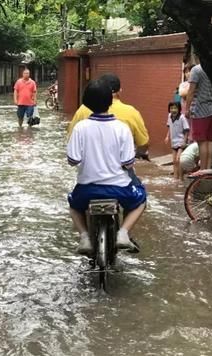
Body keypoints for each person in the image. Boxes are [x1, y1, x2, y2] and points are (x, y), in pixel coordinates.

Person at [67, 79, 147, 255]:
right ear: (111, 100)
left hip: (86, 189)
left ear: (86, 102)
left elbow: (73, 160)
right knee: (141, 199)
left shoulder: (80, 128)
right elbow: (128, 163)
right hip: (119, 189)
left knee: (73, 205)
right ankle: (124, 233)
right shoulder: (122, 128)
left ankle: (85, 237)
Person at [67, 73, 149, 153]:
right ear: (120, 91)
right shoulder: (131, 112)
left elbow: (71, 139)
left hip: (88, 164)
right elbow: (143, 143)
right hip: (121, 164)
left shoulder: (84, 109)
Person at [185, 64, 212, 170]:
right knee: (210, 140)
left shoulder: (197, 70)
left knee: (202, 141)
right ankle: (208, 168)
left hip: (200, 109)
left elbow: (191, 91)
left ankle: (203, 169)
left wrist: (187, 108)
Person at [164, 102, 189, 180]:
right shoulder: (169, 116)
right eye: (171, 108)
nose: (173, 110)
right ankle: (175, 178)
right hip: (173, 142)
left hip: (181, 142)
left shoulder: (182, 118)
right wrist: (167, 136)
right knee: (174, 161)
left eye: (175, 108)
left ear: (179, 109)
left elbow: (187, 130)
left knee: (178, 160)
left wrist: (184, 142)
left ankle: (181, 178)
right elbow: (169, 127)